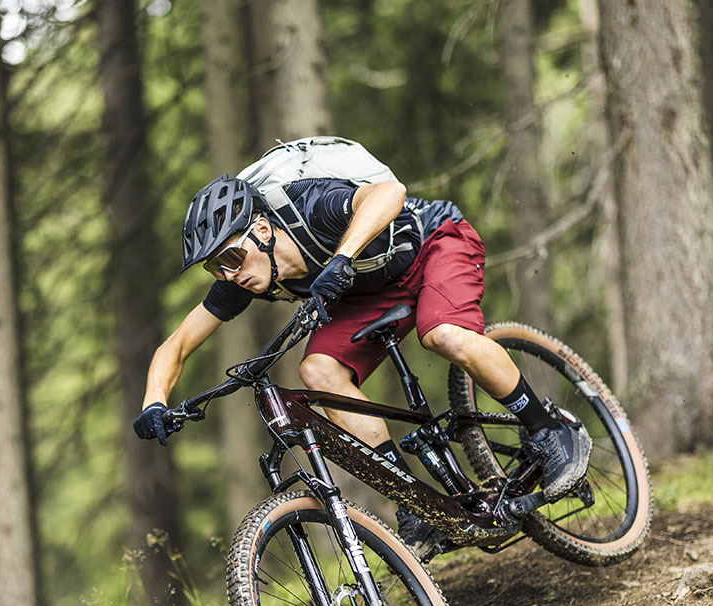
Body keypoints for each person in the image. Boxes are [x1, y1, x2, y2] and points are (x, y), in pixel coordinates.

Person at [133, 169, 591, 557]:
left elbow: (389, 192)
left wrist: (342, 257)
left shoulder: (310, 207)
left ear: (262, 230)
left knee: (443, 334)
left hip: (434, 243)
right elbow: (175, 345)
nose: (229, 275)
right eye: (216, 268)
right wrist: (155, 401)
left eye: (231, 257)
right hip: (368, 293)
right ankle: (414, 501)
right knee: (317, 371)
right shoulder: (242, 278)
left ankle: (548, 428)